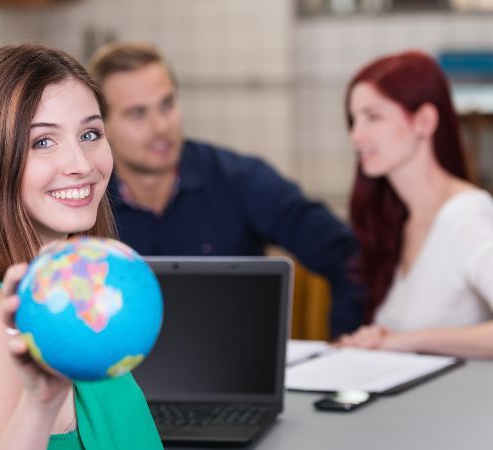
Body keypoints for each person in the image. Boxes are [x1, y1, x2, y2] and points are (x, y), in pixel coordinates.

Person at [0, 44, 162, 449]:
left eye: (90, 133)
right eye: (43, 142)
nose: (81, 162)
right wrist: (40, 406)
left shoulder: (0, 302)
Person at [88, 42, 364, 337]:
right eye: (138, 114)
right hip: (118, 376)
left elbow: (348, 256)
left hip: (235, 375)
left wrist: (346, 341)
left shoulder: (240, 179)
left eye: (167, 105)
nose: (161, 126)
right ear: (103, 126)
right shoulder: (84, 201)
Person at [337, 51, 493, 358]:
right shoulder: (399, 221)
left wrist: (404, 340)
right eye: (354, 120)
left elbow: (404, 340)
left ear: (424, 121)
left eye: (373, 117)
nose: (356, 135)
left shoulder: (466, 215)